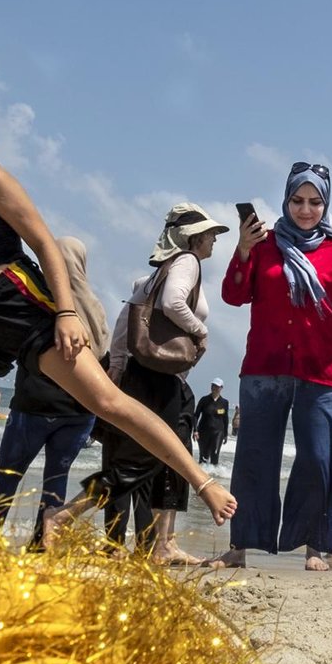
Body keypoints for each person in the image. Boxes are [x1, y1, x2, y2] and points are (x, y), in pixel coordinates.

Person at [0, 62, 235, 543]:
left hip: (23, 305)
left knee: (107, 402)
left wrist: (64, 312)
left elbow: (42, 241)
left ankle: (202, 482)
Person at [217, 162, 332, 571]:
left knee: (319, 460)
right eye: (297, 200)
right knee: (254, 457)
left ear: (326, 204)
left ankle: (313, 547)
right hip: (264, 368)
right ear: (286, 200)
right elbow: (234, 295)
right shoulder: (265, 244)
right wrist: (244, 251)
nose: (306, 210)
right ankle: (239, 547)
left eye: (315, 202)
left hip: (321, 371)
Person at [53, 204, 229, 564]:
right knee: (139, 464)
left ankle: (163, 544)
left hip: (152, 378)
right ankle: (61, 518)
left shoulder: (159, 271)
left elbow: (126, 318)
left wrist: (117, 367)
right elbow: (172, 302)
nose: (214, 240)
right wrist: (200, 331)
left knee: (167, 459)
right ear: (193, 237)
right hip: (156, 381)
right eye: (210, 234)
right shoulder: (187, 262)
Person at [0, 237, 106, 547]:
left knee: (8, 473)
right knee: (56, 478)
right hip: (78, 411)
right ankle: (40, 541)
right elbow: (105, 355)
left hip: (33, 404)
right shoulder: (93, 304)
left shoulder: (39, 297)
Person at [194, 377, 231, 465]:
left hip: (218, 432)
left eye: (217, 386)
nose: (214, 388)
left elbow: (225, 418)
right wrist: (195, 430)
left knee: (215, 454)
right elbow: (196, 416)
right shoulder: (204, 400)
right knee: (204, 457)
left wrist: (225, 434)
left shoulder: (224, 402)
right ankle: (203, 476)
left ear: (221, 388)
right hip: (203, 432)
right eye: (213, 385)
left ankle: (214, 475)